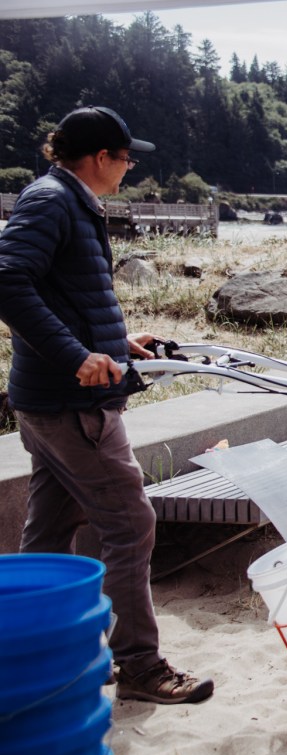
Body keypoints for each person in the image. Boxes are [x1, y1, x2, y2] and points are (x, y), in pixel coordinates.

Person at [0, 106, 214, 704]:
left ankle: (43, 657)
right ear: (100, 158)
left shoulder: (67, 200)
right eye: (125, 158)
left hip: (50, 399)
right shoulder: (52, 201)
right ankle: (139, 665)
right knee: (130, 522)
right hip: (71, 403)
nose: (129, 168)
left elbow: (61, 293)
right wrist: (76, 356)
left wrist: (116, 341)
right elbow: (7, 281)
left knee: (49, 532)